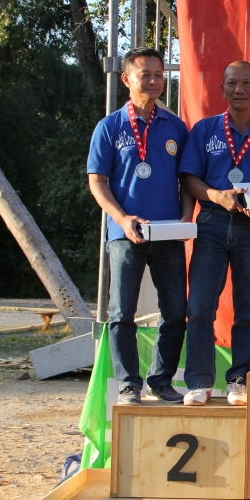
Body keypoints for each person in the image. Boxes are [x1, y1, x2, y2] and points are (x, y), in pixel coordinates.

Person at [180, 60, 250, 407]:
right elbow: (188, 178)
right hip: (212, 223)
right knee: (200, 306)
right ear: (222, 89)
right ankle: (199, 381)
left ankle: (239, 380)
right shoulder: (204, 130)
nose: (239, 90)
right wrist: (216, 195)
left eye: (246, 83)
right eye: (232, 83)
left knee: (248, 309)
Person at [87, 47, 194, 406]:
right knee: (121, 313)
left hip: (167, 236)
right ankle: (129, 383)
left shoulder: (176, 127)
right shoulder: (109, 127)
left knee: (176, 311)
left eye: (159, 74)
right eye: (145, 74)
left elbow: (187, 179)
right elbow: (97, 182)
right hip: (125, 235)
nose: (153, 80)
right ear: (126, 79)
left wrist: (185, 217)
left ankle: (160, 380)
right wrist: (122, 219)